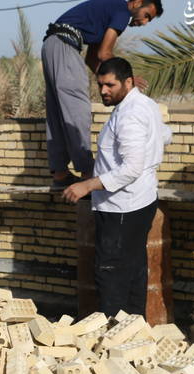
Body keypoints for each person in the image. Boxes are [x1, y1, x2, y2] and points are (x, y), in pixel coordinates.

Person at [63, 57, 172, 316]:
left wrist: (87, 186)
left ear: (129, 82)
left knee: (110, 274)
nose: (103, 91)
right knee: (134, 270)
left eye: (110, 85)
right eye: (100, 85)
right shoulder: (146, 105)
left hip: (121, 208)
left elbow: (132, 168)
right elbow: (165, 135)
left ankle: (114, 338)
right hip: (141, 200)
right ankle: (134, 334)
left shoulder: (129, 115)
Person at [43, 0, 163, 190]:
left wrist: (109, 83)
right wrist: (127, 80)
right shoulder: (122, 12)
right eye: (147, 16)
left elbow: (93, 58)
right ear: (137, 3)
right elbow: (105, 53)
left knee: (57, 113)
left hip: (52, 45)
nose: (144, 23)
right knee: (78, 111)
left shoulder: (107, 13)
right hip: (65, 45)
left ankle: (60, 174)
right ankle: (87, 172)